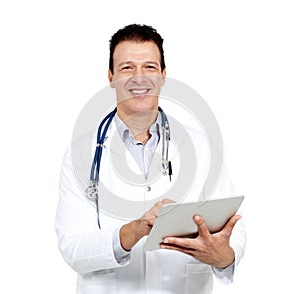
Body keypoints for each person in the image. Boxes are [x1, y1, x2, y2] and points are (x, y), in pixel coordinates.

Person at [55, 24, 246, 294]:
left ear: (163, 75)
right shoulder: (83, 152)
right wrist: (136, 229)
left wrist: (223, 256)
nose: (139, 78)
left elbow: (232, 233)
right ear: (110, 77)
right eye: (127, 68)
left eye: (149, 67)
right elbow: (72, 247)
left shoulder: (200, 146)